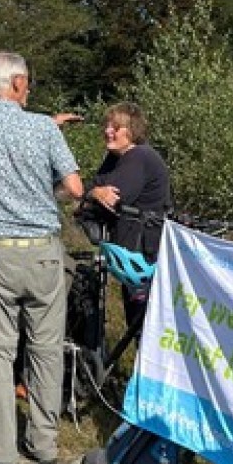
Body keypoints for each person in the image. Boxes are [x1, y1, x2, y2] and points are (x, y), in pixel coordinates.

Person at [0, 51, 84, 464]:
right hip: (44, 251)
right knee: (46, 349)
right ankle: (44, 443)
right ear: (15, 83)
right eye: (26, 82)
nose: (29, 88)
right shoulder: (44, 130)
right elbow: (75, 187)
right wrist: (49, 131)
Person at [79, 101, 172, 330]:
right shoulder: (115, 158)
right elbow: (89, 189)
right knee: (136, 322)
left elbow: (111, 202)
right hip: (129, 252)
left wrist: (92, 196)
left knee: (143, 326)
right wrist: (93, 192)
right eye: (107, 125)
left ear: (132, 131)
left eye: (115, 127)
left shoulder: (139, 157)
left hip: (144, 256)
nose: (107, 131)